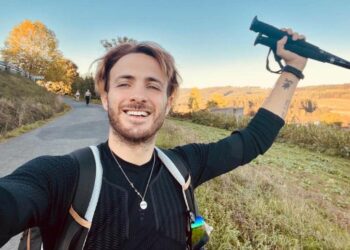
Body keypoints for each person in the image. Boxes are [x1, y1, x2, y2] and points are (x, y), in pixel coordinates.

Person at [0, 28, 307, 249]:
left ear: (168, 100)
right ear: (105, 97)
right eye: (124, 83)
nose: (138, 96)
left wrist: (292, 69)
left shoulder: (184, 167)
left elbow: (253, 140)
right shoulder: (62, 178)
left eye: (152, 85)